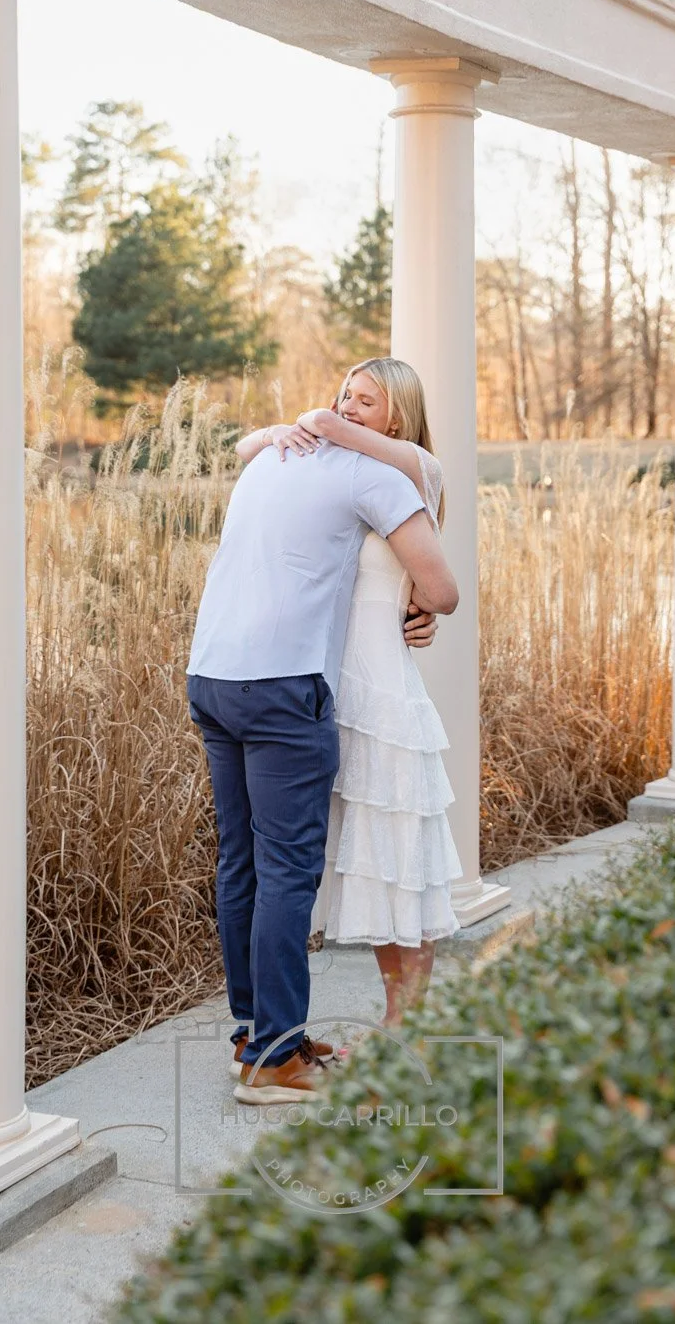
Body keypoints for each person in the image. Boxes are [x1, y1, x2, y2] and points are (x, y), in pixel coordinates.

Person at [187, 371, 458, 1105]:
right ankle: (274, 1058)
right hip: (285, 684)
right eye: (343, 396)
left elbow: (422, 489)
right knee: (285, 871)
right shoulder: (366, 475)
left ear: (399, 416)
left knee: (240, 861)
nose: (343, 408)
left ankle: (256, 1037)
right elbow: (442, 590)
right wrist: (424, 605)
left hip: (212, 673)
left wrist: (293, 429)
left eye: (363, 400)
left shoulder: (279, 458)